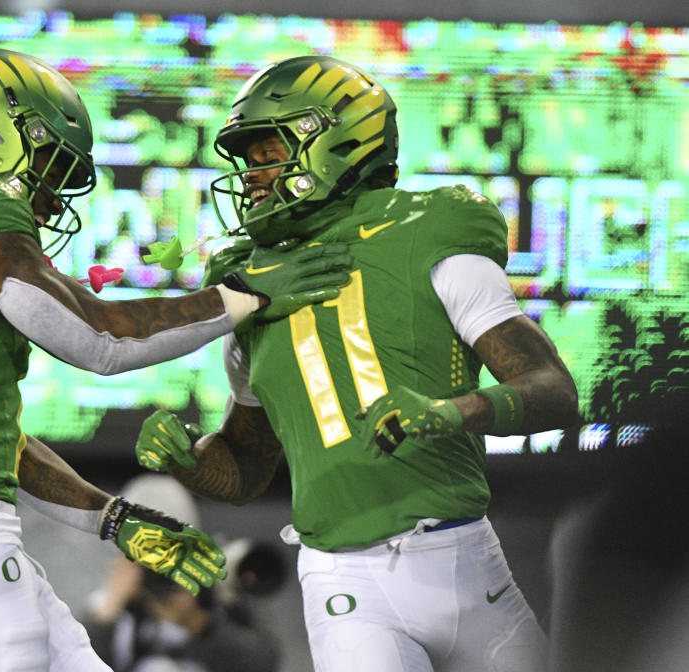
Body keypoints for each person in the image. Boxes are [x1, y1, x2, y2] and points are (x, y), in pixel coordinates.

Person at [0, 47, 355, 671]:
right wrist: (246, 295)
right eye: (50, 161)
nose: (51, 197)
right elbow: (103, 340)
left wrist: (115, 519)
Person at [134, 55, 579, 672]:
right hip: (344, 579)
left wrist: (452, 412)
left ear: (335, 143)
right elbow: (244, 471)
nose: (254, 177)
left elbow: (555, 391)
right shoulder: (252, 287)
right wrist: (191, 458)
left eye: (269, 154)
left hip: (465, 559)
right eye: (251, 161)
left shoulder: (430, 236)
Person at [82, 474, 281, 672]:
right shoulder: (113, 609)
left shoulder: (217, 602)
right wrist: (108, 612)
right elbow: (74, 663)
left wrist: (197, 622)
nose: (158, 570)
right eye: (145, 555)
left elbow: (263, 662)